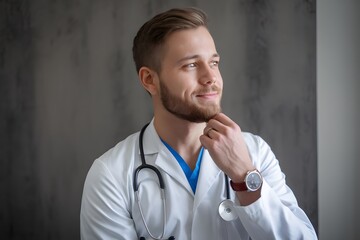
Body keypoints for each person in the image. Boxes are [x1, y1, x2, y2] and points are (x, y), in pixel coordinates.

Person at [80, 7, 317, 240]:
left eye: (213, 63)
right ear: (149, 79)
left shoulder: (255, 153)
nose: (211, 77)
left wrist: (245, 178)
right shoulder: (111, 174)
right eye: (191, 65)